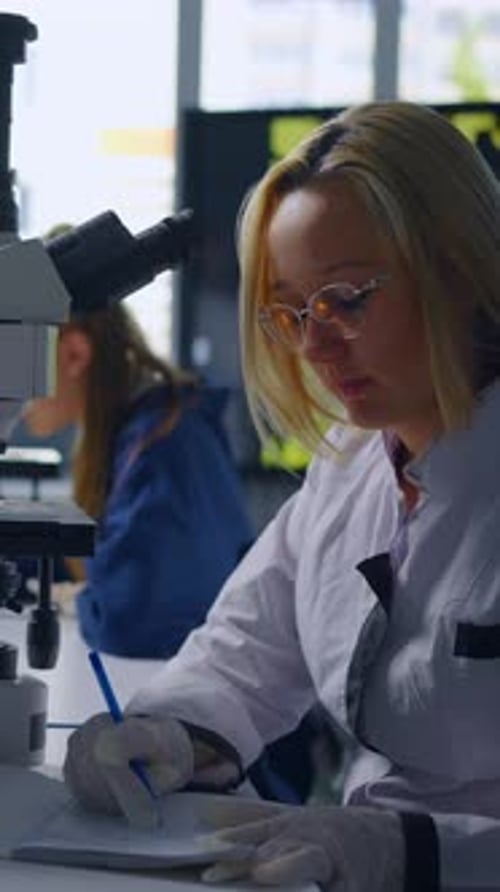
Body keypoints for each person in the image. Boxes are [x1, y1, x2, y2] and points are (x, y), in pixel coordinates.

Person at [62, 99, 500, 891]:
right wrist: (172, 733)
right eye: (292, 313)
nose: (316, 346)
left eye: (347, 299)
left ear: (461, 265)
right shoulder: (349, 471)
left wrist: (409, 852)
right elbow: (246, 654)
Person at [22, 299, 254, 659]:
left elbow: (132, 620)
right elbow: (104, 558)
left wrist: (80, 597)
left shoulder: (167, 445)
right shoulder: (138, 433)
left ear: (74, 354)